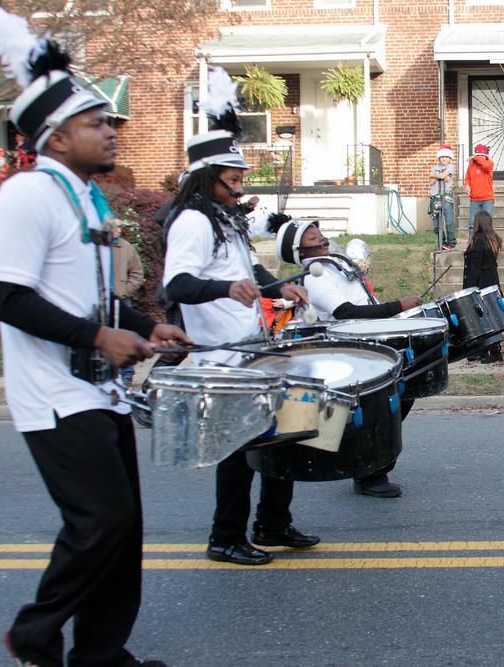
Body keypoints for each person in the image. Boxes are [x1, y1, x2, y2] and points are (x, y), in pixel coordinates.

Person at [0, 8, 191, 665]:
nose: (111, 131)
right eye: (97, 123)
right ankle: (35, 632)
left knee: (123, 530)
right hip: (51, 394)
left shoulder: (84, 199)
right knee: (97, 523)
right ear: (56, 133)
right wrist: (99, 336)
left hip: (100, 393)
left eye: (109, 121)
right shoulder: (27, 195)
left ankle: (100, 652)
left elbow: (92, 300)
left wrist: (141, 325)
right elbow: (9, 299)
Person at [162, 67, 320, 566]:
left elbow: (249, 267)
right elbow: (177, 284)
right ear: (207, 180)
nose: (239, 188)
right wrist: (226, 288)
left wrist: (279, 285)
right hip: (221, 357)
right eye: (232, 181)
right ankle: (225, 537)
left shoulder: (224, 220)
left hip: (251, 345)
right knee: (238, 451)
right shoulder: (191, 221)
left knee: (292, 424)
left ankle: (273, 523)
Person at [276, 217, 421, 497]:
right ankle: (368, 473)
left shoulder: (334, 267)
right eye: (311, 237)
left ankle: (372, 465)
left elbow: (364, 304)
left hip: (367, 345)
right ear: (301, 253)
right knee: (375, 407)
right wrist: (397, 306)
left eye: (318, 232)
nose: (320, 237)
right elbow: (346, 313)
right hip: (347, 352)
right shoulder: (315, 275)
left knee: (403, 393)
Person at [463, 211, 503, 363]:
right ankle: (483, 350)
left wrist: (468, 289)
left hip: (480, 283)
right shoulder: (493, 240)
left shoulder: (478, 242)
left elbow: (474, 268)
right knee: (490, 316)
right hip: (491, 281)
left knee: (482, 317)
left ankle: (492, 351)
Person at [112, 218, 145, 386]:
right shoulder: (96, 247)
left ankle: (127, 376)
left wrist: (125, 290)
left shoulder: (125, 247)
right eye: (116, 227)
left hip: (122, 301)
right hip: (102, 303)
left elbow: (137, 273)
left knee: (126, 337)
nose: (119, 230)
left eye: (120, 227)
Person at [429, 145, 457, 250]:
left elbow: (439, 177)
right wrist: (441, 176)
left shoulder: (450, 167)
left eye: (447, 157)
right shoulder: (434, 167)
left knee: (449, 221)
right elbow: (432, 182)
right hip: (435, 197)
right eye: (442, 157)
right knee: (437, 224)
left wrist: (434, 175)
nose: (445, 159)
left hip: (446, 197)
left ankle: (451, 242)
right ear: (439, 158)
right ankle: (442, 242)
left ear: (450, 158)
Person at [464, 144, 494, 237]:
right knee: (472, 224)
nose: (480, 157)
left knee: (487, 224)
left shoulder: (489, 164)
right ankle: (472, 243)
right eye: (478, 155)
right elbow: (467, 178)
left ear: (486, 156)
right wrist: (467, 185)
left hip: (487, 199)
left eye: (482, 155)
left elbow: (484, 164)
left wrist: (475, 157)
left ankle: (488, 243)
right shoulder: (471, 167)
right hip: (474, 200)